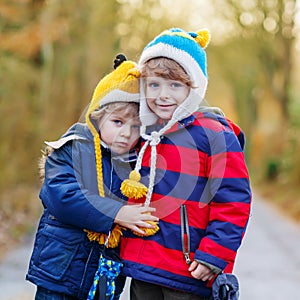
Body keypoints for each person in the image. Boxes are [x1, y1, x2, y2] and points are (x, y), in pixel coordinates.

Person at [120, 28, 252, 300]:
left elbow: (234, 200)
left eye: (175, 85)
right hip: (144, 268)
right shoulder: (143, 132)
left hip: (189, 269)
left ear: (194, 88)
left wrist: (214, 255)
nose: (162, 95)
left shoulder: (215, 135)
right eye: (154, 85)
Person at [26, 54, 158, 300]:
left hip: (103, 279)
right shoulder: (73, 146)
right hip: (60, 272)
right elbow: (61, 196)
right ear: (98, 116)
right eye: (118, 122)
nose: (125, 133)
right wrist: (116, 213)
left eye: (135, 127)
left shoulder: (135, 167)